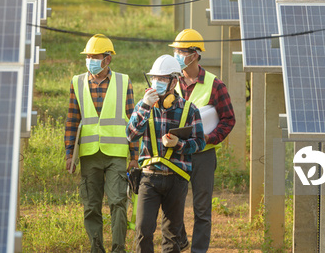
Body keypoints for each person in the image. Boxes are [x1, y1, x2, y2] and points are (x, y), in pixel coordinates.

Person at [65, 33, 139, 253]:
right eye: (88, 56)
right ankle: (96, 249)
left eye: (95, 56)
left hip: (116, 155)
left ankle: (118, 249)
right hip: (89, 155)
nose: (90, 60)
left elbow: (133, 122)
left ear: (107, 59)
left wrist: (134, 157)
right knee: (91, 207)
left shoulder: (123, 81)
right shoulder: (77, 82)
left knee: (118, 202)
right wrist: (70, 154)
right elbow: (72, 119)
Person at [127, 54, 205, 253]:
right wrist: (145, 106)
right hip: (149, 177)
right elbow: (131, 135)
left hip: (176, 179)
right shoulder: (143, 106)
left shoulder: (189, 110)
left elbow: (199, 143)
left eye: (162, 79)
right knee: (143, 230)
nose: (157, 82)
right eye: (155, 78)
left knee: (172, 235)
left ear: (174, 81)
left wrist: (179, 144)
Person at [170, 29, 236, 253]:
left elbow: (228, 119)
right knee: (172, 207)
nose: (178, 55)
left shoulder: (215, 85)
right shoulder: (171, 82)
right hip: (176, 153)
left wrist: (209, 138)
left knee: (202, 209)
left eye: (182, 51)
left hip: (203, 155)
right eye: (176, 51)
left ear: (196, 54)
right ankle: (179, 242)